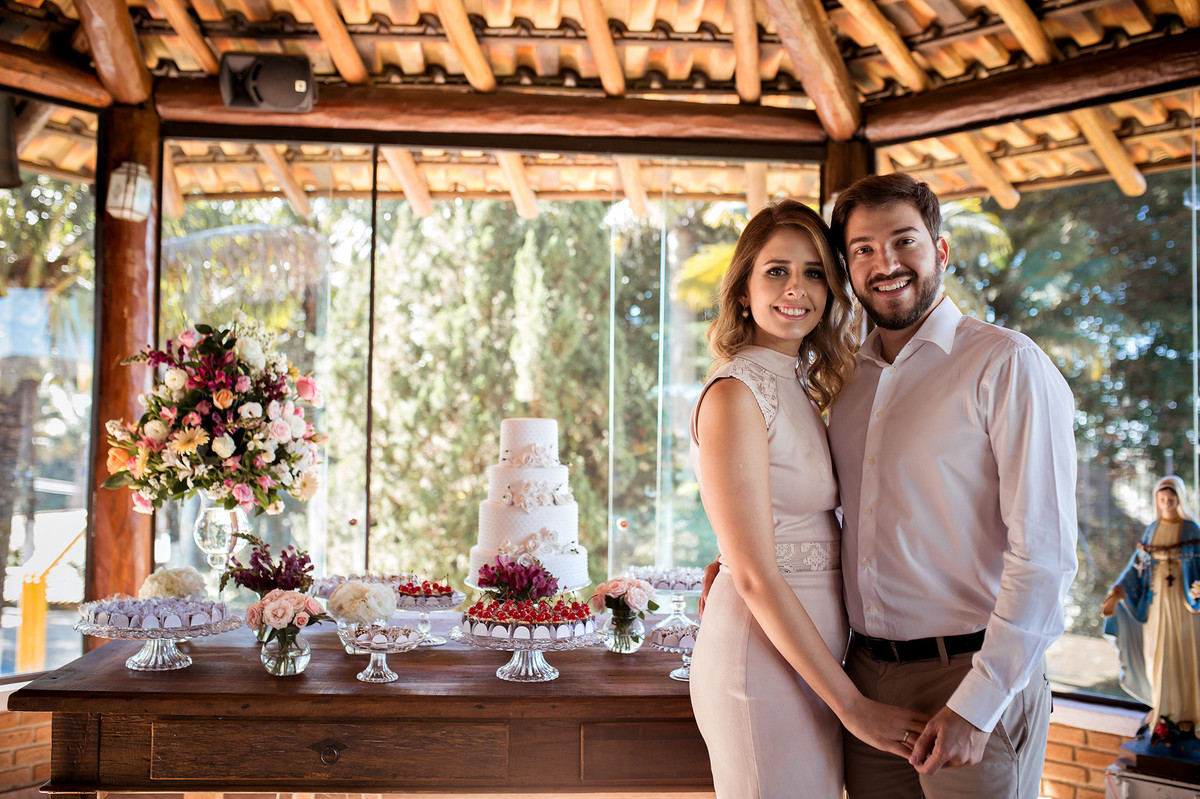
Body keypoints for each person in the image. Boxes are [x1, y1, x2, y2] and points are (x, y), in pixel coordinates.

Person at [823, 173, 1079, 798]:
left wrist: (978, 704)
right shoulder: (843, 381)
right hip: (866, 682)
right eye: (862, 249)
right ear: (846, 268)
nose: (885, 264)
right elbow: (831, 513)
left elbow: (1043, 552)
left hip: (970, 677)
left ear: (939, 250)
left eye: (903, 241)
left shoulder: (1005, 363)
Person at [689, 199, 927, 799]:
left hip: (819, 653)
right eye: (776, 271)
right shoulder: (735, 393)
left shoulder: (804, 383)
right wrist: (853, 707)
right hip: (763, 658)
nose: (797, 288)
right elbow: (755, 576)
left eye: (814, 271)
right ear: (742, 289)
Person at [1101, 475, 1200, 746]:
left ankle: (1190, 714)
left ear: (1180, 499)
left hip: (1186, 610)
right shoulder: (1152, 531)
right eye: (1163, 499)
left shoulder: (1192, 530)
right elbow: (1135, 569)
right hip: (1156, 607)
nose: (1167, 503)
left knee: (1187, 656)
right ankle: (1165, 711)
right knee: (1160, 655)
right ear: (1156, 501)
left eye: (1172, 499)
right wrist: (1116, 594)